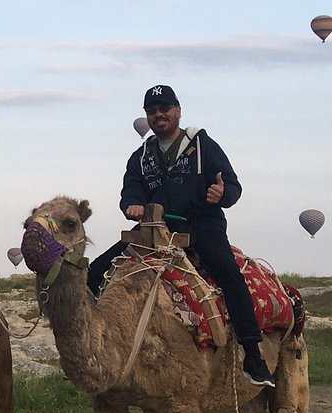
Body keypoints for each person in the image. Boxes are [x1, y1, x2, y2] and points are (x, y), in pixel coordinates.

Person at [87, 84, 274, 387]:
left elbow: (232, 185)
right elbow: (131, 189)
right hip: (155, 228)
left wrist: (222, 194)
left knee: (228, 272)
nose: (158, 115)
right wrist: (131, 204)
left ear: (178, 110)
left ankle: (253, 354)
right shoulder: (141, 156)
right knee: (95, 272)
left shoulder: (203, 146)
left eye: (164, 108)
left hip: (201, 225)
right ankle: (94, 348)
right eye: (152, 111)